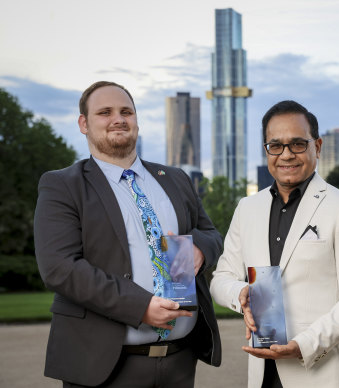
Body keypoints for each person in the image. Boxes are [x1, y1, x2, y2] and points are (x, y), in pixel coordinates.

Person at [34, 81, 222, 387]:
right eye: (105, 112)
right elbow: (59, 268)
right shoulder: (63, 185)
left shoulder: (174, 179)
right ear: (84, 123)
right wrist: (139, 307)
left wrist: (199, 249)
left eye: (126, 111)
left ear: (136, 119)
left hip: (179, 362)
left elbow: (211, 233)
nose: (118, 119)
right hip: (104, 367)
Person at [210, 100, 339, 388]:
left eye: (298, 144)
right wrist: (241, 293)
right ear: (266, 150)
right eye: (275, 145)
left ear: (318, 146)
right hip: (261, 373)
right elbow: (220, 279)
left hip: (319, 371)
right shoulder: (247, 208)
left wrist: (305, 344)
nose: (286, 155)